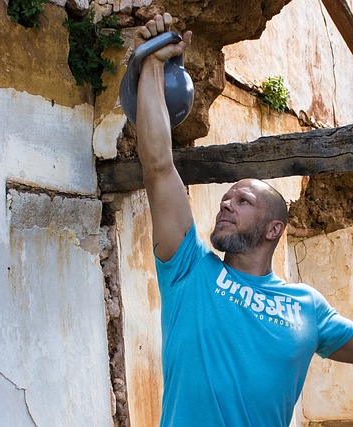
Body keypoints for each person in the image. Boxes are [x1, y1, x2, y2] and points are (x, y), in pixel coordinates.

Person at [134, 12, 353, 427]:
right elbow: (158, 165)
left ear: (274, 228)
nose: (227, 204)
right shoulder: (188, 269)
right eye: (226, 197)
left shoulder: (308, 307)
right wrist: (150, 62)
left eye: (244, 200)